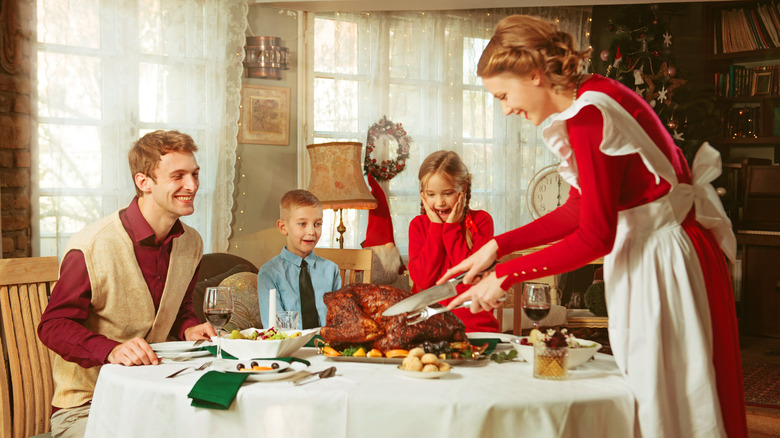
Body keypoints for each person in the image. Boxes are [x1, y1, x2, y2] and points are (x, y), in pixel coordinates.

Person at [442, 15, 747, 438]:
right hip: (659, 253)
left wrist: (506, 276)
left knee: (665, 398)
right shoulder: (594, 94)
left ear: (535, 73)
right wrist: (497, 246)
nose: (507, 108)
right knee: (665, 394)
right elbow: (580, 208)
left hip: (660, 262)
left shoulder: (589, 116)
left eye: (504, 94)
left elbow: (596, 236)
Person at [38, 130, 216, 438]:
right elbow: (53, 325)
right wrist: (111, 350)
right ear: (143, 182)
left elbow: (181, 306)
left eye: (195, 174)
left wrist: (189, 327)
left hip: (156, 395)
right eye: (178, 176)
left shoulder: (192, 243)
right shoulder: (92, 245)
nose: (192, 186)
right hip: (88, 407)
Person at [408, 150, 498, 333]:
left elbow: (469, 277)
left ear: (462, 190)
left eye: (447, 193)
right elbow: (423, 281)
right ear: (423, 195)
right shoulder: (418, 226)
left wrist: (450, 228)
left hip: (474, 326)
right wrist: (435, 228)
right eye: (431, 195)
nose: (440, 202)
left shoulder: (482, 221)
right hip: (428, 326)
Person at [257, 189, 341, 329]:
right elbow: (274, 328)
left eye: (317, 224)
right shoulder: (270, 273)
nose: (311, 232)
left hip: (326, 347)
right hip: (289, 348)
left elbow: (339, 320)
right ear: (283, 227)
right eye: (302, 224)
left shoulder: (331, 270)